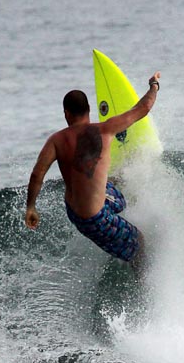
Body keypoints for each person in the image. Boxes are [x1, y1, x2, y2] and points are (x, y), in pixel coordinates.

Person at [24, 72, 162, 265]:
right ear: (89, 109)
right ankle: (143, 289)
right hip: (94, 219)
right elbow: (144, 107)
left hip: (73, 209)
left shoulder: (55, 140)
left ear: (66, 113)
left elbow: (37, 174)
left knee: (118, 191)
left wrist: (31, 207)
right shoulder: (106, 129)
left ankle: (114, 202)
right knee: (140, 243)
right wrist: (154, 85)